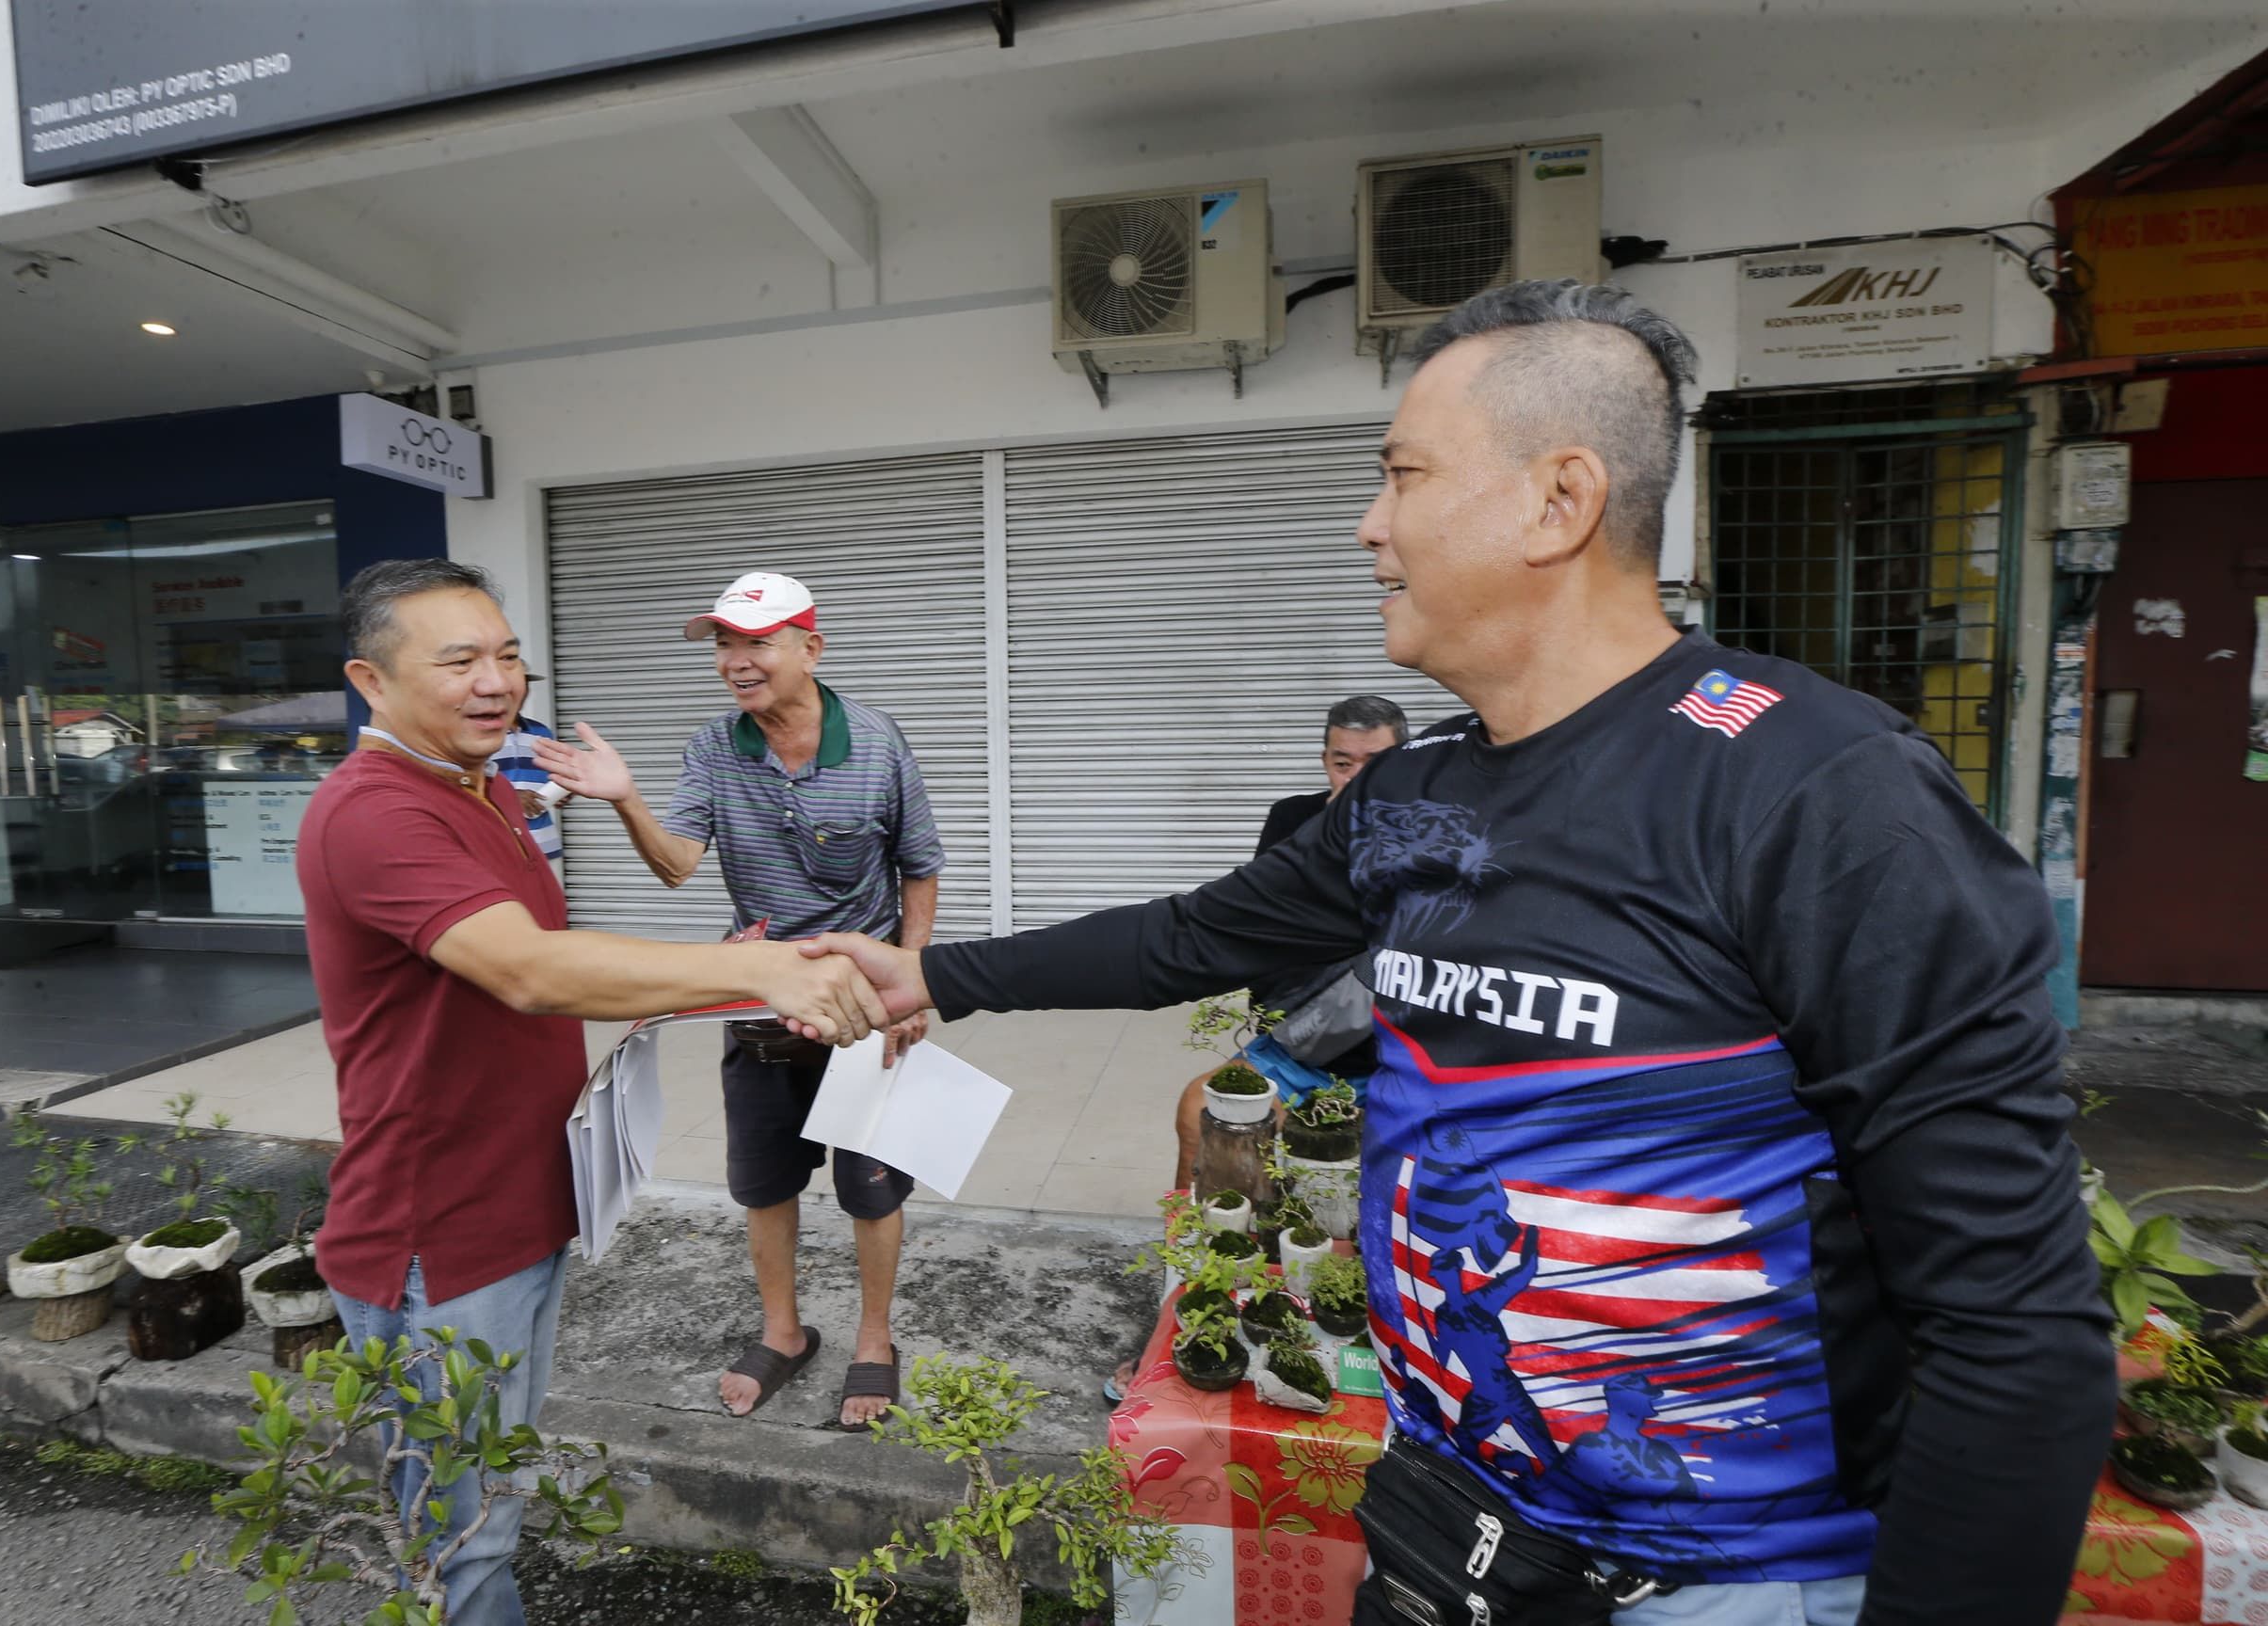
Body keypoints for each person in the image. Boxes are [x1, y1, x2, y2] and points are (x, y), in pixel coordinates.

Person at [806, 282, 2114, 1626]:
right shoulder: (1417, 791)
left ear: (1561, 500)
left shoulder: (1819, 793)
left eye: (1405, 475)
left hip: (1728, 1582)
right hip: (1451, 1535)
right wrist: (940, 975)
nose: (1371, 524)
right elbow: (1196, 935)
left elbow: (2015, 1335)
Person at [297, 558, 886, 1626]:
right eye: (461, 661)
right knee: (460, 1542)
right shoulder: (373, 812)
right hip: (439, 1237)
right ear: (371, 683)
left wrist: (731, 976)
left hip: (515, 1206)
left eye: (509, 655)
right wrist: (754, 968)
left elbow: (539, 939)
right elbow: (530, 967)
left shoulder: (477, 790)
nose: (497, 681)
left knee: (493, 1498)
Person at [531, 569, 946, 1430]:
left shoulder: (874, 741)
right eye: (724, 643)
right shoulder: (713, 749)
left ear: (809, 648)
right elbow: (678, 864)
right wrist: (624, 799)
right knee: (763, 1184)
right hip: (756, 1004)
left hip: (864, 1005)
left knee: (872, 1186)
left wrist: (913, 980)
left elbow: (920, 864)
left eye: (754, 641)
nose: (735, 660)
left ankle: (875, 1341)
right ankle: (784, 1333)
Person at [1168, 693, 1410, 1191]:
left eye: (1376, 765)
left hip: (1401, 1059)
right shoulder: (1293, 819)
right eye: (1344, 764)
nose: (1357, 779)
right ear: (1326, 762)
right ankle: (1198, 1251)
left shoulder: (1436, 832)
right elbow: (1260, 919)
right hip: (1301, 1048)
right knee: (1199, 1112)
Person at [487, 707, 565, 872]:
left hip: (544, 843)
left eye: (526, 684)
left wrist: (562, 792)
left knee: (549, 898)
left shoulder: (541, 732)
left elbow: (555, 775)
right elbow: (463, 785)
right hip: (500, 846)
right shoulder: (479, 733)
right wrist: (509, 797)